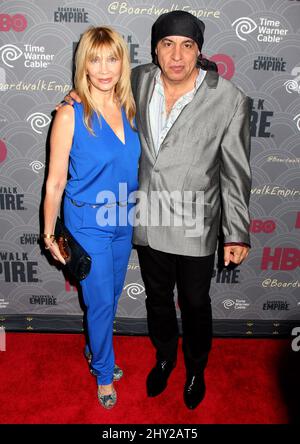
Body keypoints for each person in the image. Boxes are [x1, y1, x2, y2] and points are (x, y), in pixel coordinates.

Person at [65, 10, 251, 410]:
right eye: (168, 44)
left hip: (195, 221)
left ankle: (196, 368)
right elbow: (98, 89)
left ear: (199, 52)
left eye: (187, 46)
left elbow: (236, 172)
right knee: (158, 299)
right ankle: (165, 356)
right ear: (155, 49)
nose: (177, 56)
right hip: (148, 217)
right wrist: (75, 96)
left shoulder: (229, 98)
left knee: (197, 303)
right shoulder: (138, 80)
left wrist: (236, 232)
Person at [43, 26, 140, 409]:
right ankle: (103, 372)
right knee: (100, 304)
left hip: (123, 222)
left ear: (122, 62)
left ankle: (93, 348)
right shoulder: (70, 113)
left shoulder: (129, 107)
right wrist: (50, 235)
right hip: (88, 226)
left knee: (110, 297)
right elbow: (54, 183)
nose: (103, 68)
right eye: (95, 58)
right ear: (83, 62)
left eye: (112, 58)